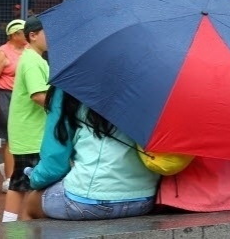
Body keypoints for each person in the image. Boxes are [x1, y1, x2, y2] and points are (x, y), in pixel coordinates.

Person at [22, 87, 158, 220]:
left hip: (86, 197)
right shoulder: (148, 86)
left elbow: (53, 167)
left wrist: (34, 179)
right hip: (145, 197)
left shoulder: (69, 86)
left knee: (31, 203)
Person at [2, 15, 49, 222]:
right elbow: (38, 95)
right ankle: (21, 227)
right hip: (31, 134)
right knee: (32, 184)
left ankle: (9, 225)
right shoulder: (32, 61)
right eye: (47, 33)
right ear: (33, 35)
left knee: (19, 182)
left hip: (28, 133)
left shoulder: (32, 58)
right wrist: (64, 107)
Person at [0, 19, 27, 192]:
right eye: (25, 32)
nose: (28, 35)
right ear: (14, 35)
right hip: (6, 97)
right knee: (13, 138)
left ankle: (13, 170)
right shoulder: (3, 53)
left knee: (24, 138)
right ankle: (10, 179)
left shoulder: (29, 51)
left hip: (24, 97)